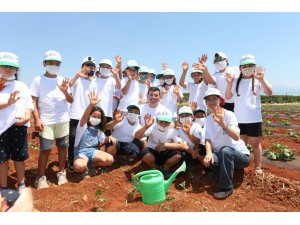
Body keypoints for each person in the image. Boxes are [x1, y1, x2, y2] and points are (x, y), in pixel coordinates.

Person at [30, 50, 73, 189]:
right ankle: (41, 177)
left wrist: (65, 91)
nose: (53, 65)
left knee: (62, 147)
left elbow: (70, 100)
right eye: (50, 63)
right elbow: (34, 102)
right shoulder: (37, 80)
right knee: (45, 149)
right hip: (46, 120)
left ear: (60, 65)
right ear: (44, 64)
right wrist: (37, 119)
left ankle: (61, 172)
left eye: (56, 63)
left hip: (63, 119)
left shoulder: (63, 80)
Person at [225, 54, 272, 173]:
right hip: (239, 119)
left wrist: (262, 79)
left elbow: (269, 93)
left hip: (254, 119)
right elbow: (227, 96)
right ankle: (241, 167)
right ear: (240, 68)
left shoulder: (258, 80)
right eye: (245, 66)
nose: (248, 68)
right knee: (241, 144)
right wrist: (229, 83)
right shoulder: (235, 81)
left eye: (250, 65)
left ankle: (258, 168)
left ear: (255, 67)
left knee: (256, 144)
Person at [203, 88, 250, 199]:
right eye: (208, 99)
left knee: (225, 150)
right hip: (222, 155)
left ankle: (226, 188)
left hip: (239, 156)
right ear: (206, 103)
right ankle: (227, 171)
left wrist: (223, 124)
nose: (211, 101)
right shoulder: (208, 119)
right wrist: (208, 153)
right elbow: (207, 139)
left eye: (214, 98)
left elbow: (236, 136)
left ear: (220, 100)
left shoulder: (229, 115)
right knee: (208, 160)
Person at [0, 52, 33, 191]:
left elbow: (29, 105)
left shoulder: (22, 85)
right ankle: (4, 187)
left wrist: (27, 117)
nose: (8, 69)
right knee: (2, 159)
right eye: (4, 66)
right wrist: (8, 102)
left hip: (19, 127)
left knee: (19, 158)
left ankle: (21, 184)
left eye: (11, 67)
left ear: (16, 69)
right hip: (1, 128)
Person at [135, 110, 187, 179]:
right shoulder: (152, 127)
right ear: (157, 121)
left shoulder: (172, 131)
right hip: (153, 152)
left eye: (166, 122)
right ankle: (154, 168)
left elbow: (182, 146)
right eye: (161, 122)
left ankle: (165, 168)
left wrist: (164, 145)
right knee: (146, 154)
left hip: (165, 153)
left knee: (177, 155)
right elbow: (137, 136)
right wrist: (145, 127)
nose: (164, 124)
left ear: (170, 123)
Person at [73, 91, 115, 176]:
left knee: (110, 160)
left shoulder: (99, 130)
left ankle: (90, 166)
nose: (96, 119)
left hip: (93, 152)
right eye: (94, 116)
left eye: (99, 117)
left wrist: (110, 137)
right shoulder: (82, 126)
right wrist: (91, 105)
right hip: (81, 153)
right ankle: (84, 167)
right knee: (79, 166)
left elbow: (103, 140)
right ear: (89, 117)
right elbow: (84, 116)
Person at [67, 56, 97, 171]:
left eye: (91, 66)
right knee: (73, 138)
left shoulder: (94, 83)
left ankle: (86, 160)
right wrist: (77, 75)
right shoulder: (77, 79)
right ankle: (71, 160)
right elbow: (68, 85)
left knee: (86, 138)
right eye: (87, 65)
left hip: (87, 115)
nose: (89, 68)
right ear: (82, 67)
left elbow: (94, 100)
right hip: (75, 114)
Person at [96, 58, 121, 136]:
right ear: (99, 68)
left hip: (107, 113)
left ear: (110, 69)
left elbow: (119, 86)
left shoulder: (112, 80)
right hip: (96, 112)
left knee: (106, 136)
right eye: (103, 66)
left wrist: (116, 76)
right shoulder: (94, 80)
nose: (105, 68)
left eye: (107, 67)